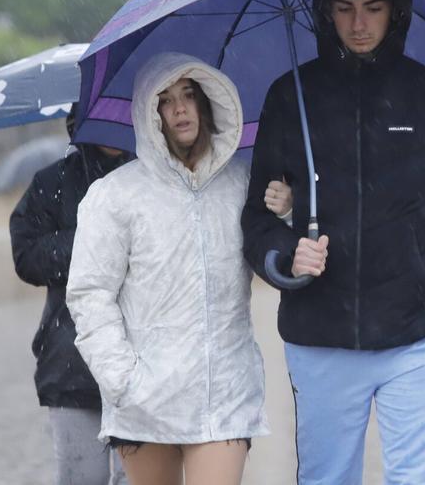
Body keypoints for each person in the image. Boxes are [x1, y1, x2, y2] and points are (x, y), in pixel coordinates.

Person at [241, 0, 425, 485]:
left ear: (395, 12)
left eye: (373, 8)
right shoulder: (291, 95)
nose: (358, 24)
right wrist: (288, 257)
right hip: (320, 336)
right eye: (345, 8)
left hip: (420, 339)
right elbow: (257, 218)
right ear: (324, 12)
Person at [67, 52, 281, 485]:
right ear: (152, 115)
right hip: (145, 399)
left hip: (224, 396)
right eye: (165, 100)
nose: (180, 108)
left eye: (188, 94)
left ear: (206, 103)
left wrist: (286, 211)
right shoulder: (114, 196)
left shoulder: (244, 184)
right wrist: (123, 380)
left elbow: (274, 257)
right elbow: (90, 294)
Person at [10, 106, 130, 485]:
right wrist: (89, 244)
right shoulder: (51, 183)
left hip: (144, 363)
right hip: (71, 363)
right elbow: (27, 257)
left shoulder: (153, 179)